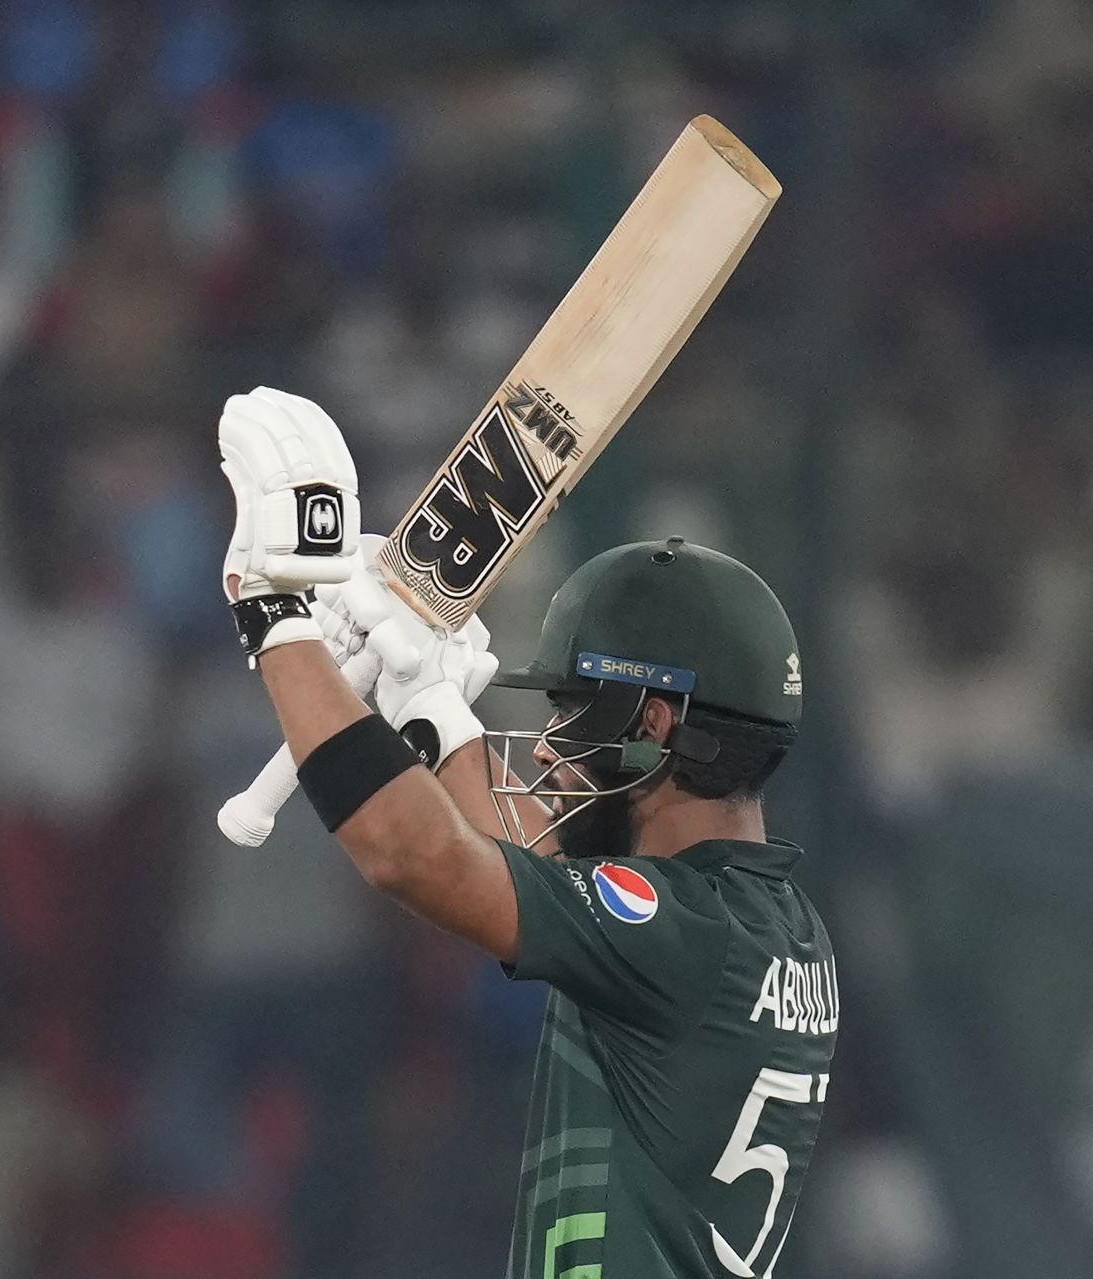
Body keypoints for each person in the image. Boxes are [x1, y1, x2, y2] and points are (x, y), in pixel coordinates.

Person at [216, 388, 837, 1277]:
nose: (550, 743)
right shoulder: (772, 928)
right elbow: (535, 872)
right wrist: (433, 714)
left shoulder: (684, 933)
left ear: (656, 724)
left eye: (578, 711)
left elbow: (414, 854)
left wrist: (274, 614)